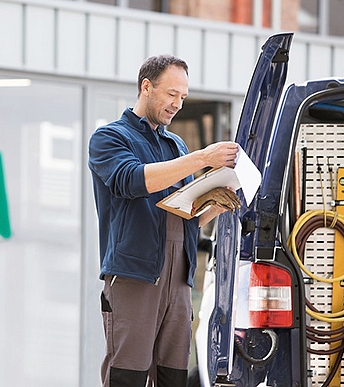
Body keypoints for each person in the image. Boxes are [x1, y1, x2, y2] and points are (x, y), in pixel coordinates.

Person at [88, 55, 239, 386]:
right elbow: (132, 180)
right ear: (146, 87)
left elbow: (186, 218)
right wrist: (201, 158)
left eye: (183, 97)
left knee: (173, 378)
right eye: (172, 94)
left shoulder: (175, 144)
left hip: (179, 283)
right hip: (135, 278)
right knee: (127, 377)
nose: (177, 104)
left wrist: (218, 204)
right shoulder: (110, 138)